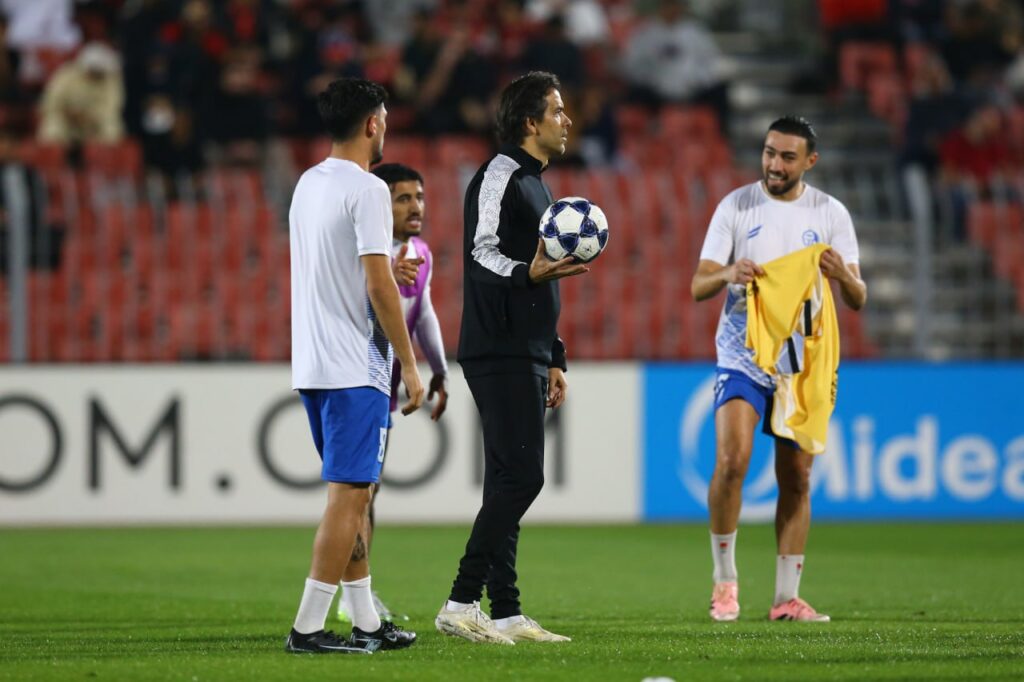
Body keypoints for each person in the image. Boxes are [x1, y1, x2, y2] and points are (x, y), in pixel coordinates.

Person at [690, 116, 867, 623]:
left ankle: (786, 598)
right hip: (743, 352)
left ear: (810, 161)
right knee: (732, 461)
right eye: (769, 152)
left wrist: (841, 276)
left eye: (788, 157)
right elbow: (699, 285)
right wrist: (729, 271)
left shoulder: (830, 213)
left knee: (797, 476)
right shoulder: (736, 206)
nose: (774, 164)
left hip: (801, 362)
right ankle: (725, 582)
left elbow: (858, 296)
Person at [434, 71, 587, 645]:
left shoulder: (537, 185)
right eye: (557, 110)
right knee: (524, 477)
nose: (566, 120)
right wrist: (527, 273)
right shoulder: (499, 174)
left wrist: (554, 354)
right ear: (530, 121)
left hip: (525, 349)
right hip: (497, 346)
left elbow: (543, 277)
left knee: (505, 481)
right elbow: (482, 255)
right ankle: (460, 600)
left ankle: (505, 611)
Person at [285, 77, 424, 654]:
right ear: (372, 123)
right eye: (384, 119)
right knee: (349, 497)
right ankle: (307, 628)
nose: (385, 128)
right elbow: (377, 285)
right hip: (355, 365)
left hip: (313, 363)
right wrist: (409, 366)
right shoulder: (367, 189)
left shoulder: (308, 183)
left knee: (355, 494)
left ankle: (366, 619)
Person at [334, 162, 450, 624]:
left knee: (370, 492)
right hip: (355, 377)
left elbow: (423, 311)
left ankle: (356, 593)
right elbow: (347, 303)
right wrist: (378, 278)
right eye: (403, 199)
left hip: (384, 383)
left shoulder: (419, 253)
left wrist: (439, 368)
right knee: (356, 492)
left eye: (418, 197)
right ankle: (350, 598)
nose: (415, 206)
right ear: (381, 205)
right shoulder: (362, 252)